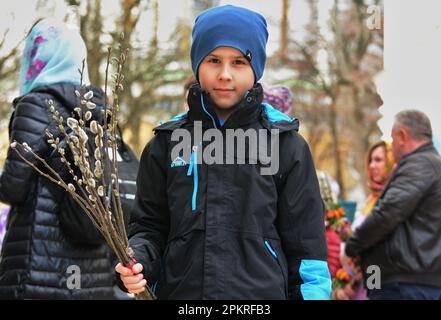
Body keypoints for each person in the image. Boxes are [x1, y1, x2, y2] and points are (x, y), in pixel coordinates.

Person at [115, 5, 331, 299]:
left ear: (256, 69)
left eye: (239, 62)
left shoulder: (285, 145)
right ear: (197, 65)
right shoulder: (165, 144)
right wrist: (138, 261)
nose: (225, 74)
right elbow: (149, 227)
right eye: (214, 60)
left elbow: (307, 247)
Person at [0, 19, 116, 299]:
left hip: (37, 266)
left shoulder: (37, 104)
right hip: (91, 273)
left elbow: (12, 188)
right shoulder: (99, 110)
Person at [344, 110, 441, 300]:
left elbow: (387, 214)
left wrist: (352, 247)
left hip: (406, 283)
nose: (392, 147)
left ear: (403, 135)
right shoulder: (431, 166)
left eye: (393, 139)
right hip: (406, 279)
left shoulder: (419, 165)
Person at [334, 141, 395, 300]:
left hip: (378, 282)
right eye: (370, 161)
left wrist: (354, 283)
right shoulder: (369, 201)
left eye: (379, 160)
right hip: (359, 283)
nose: (372, 165)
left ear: (391, 163)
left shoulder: (392, 202)